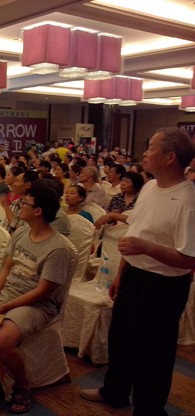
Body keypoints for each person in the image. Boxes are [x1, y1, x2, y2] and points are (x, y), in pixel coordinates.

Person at [79, 127, 195, 415]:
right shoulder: (151, 187)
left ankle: (149, 409)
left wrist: (146, 248)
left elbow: (188, 259)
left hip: (164, 286)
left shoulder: (188, 200)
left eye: (151, 147)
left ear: (170, 157)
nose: (144, 152)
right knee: (121, 339)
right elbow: (136, 233)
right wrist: (122, 272)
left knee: (154, 353)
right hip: (133, 275)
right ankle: (115, 391)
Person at [0, 185, 77, 413]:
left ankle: (23, 386)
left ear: (38, 211)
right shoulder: (22, 232)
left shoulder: (58, 248)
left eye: (25, 203)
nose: (19, 206)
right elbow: (7, 266)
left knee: (2, 339)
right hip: (7, 293)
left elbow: (43, 291)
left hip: (37, 305)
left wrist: (5, 306)